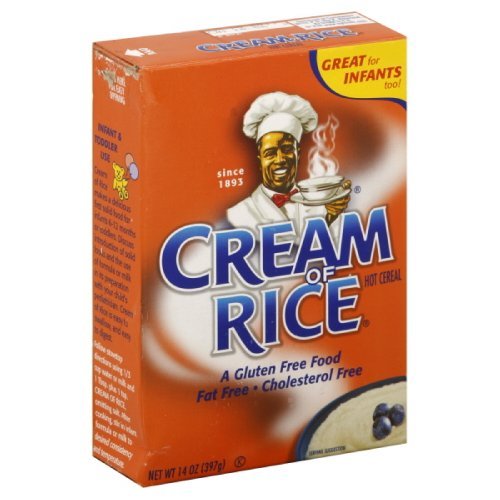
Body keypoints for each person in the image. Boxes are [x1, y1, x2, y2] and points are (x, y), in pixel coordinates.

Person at [227, 91, 350, 236]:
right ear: (260, 159)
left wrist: (332, 217)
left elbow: (337, 246)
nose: (280, 160)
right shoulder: (238, 214)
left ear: (298, 154)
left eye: (287, 150)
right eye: (270, 153)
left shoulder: (322, 206)